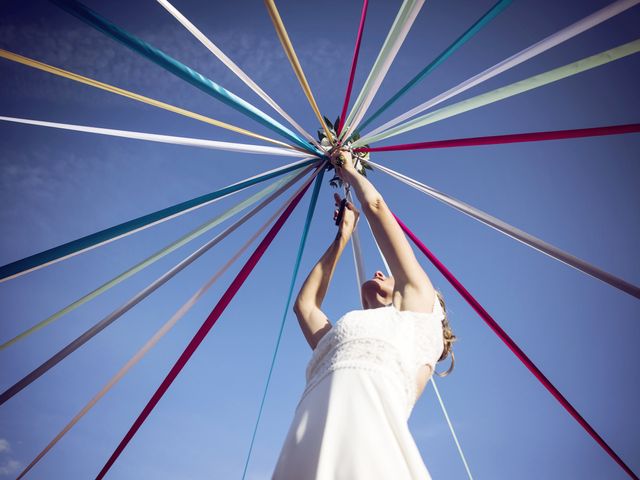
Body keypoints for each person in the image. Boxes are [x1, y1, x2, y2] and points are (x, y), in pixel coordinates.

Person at [272, 150, 456, 479]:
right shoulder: (346, 332)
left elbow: (376, 207)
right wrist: (342, 237)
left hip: (368, 427)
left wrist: (351, 173)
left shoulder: (418, 310)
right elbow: (306, 307)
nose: (379, 272)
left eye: (391, 274)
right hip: (309, 426)